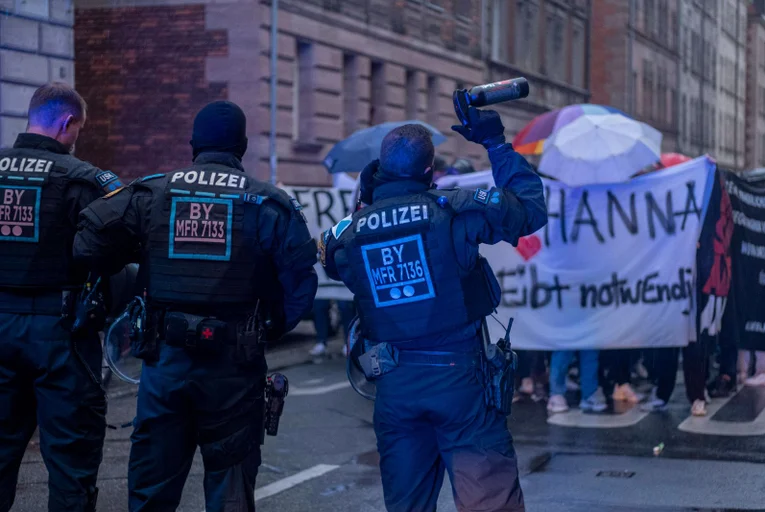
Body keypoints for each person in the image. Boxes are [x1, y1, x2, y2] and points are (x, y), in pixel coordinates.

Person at [73, 101, 318, 511]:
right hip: (234, 371)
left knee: (152, 493)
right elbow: (301, 283)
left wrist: (130, 257)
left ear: (193, 144)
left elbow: (87, 241)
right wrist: (268, 328)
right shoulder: (268, 203)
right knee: (230, 495)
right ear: (242, 145)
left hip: (165, 365)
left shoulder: (152, 193)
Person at [320, 108, 546, 512]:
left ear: (380, 170)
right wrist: (495, 144)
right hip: (461, 382)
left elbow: (335, 261)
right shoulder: (455, 208)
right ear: (430, 170)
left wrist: (369, 199)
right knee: (490, 504)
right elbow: (529, 209)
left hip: (393, 383)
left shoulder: (349, 232)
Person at [0, 82, 122, 512]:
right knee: (71, 462)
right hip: (61, 333)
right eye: (78, 131)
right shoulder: (84, 180)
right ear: (67, 124)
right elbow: (118, 251)